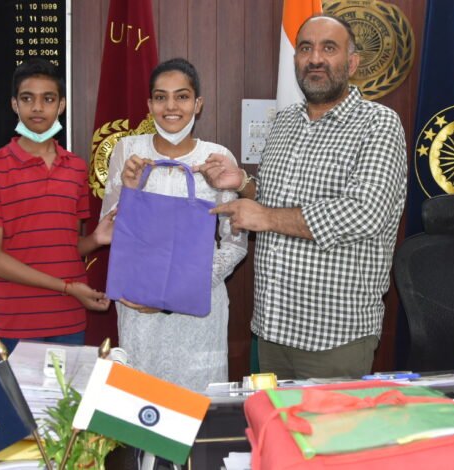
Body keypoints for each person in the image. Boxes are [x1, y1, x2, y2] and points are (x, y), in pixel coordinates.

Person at [195, 15, 407, 379]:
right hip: (272, 326)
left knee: (330, 421)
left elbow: (364, 213)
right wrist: (242, 182)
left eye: (329, 48)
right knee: (271, 417)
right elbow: (276, 198)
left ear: (352, 63)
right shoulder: (285, 121)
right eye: (306, 48)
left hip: (335, 335)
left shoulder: (379, 124)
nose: (315, 58)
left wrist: (265, 217)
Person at [104, 58, 247, 392]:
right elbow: (110, 230)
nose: (171, 106)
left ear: (198, 104)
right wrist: (130, 190)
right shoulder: (128, 151)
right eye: (161, 97)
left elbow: (235, 244)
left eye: (182, 96)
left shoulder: (217, 157)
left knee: (197, 409)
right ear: (149, 104)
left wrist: (175, 292)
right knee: (139, 406)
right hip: (140, 310)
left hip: (197, 313)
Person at [0, 58, 114, 353]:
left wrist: (96, 239)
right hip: (16, 321)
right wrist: (66, 287)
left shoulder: (76, 167)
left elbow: (66, 247)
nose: (37, 108)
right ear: (14, 104)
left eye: (47, 99)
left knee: (68, 388)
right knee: (17, 388)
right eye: (27, 98)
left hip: (68, 318)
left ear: (61, 105)